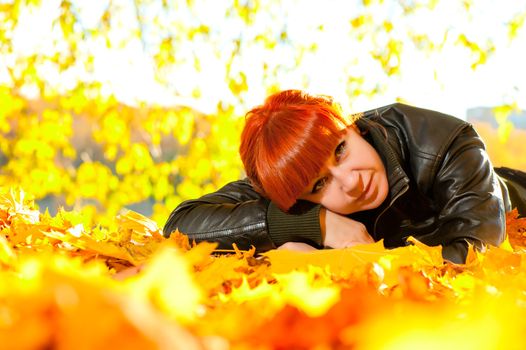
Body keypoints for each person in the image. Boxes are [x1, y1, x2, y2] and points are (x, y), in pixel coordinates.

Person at [163, 90, 526, 264]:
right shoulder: (290, 179)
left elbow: (481, 256)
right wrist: (314, 224)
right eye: (319, 185)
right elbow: (180, 225)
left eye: (341, 150)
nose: (351, 182)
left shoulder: (443, 140)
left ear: (350, 125)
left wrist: (348, 261)